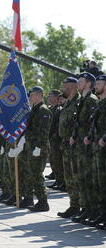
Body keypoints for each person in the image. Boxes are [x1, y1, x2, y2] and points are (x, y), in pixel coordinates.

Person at [70, 72, 98, 224]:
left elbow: (93, 124)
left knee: (88, 180)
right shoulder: (82, 100)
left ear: (88, 83)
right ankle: (85, 209)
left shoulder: (92, 101)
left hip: (87, 146)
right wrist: (74, 136)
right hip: (80, 145)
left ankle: (92, 210)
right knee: (81, 179)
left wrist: (88, 139)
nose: (78, 84)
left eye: (80, 81)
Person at [21, 86, 51, 211]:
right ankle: (28, 198)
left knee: (37, 174)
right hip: (31, 146)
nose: (30, 97)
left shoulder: (43, 110)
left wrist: (38, 147)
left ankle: (43, 201)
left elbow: (44, 132)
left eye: (32, 95)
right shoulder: (34, 109)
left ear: (39, 95)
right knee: (29, 173)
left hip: (39, 147)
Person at [84, 75, 106, 229]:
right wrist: (89, 137)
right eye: (96, 83)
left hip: (103, 147)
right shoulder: (100, 103)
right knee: (99, 183)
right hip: (97, 149)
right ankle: (101, 213)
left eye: (99, 83)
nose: (96, 86)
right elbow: (95, 124)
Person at [58, 77, 81, 219]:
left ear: (72, 87)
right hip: (65, 145)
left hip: (75, 145)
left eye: (65, 86)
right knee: (69, 178)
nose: (63, 89)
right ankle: (74, 206)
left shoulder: (79, 103)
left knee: (77, 177)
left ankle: (82, 206)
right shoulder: (67, 104)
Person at [47, 89, 65, 191]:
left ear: (56, 97)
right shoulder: (51, 109)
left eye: (51, 96)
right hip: (51, 139)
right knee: (53, 162)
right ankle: (58, 181)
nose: (49, 98)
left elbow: (57, 126)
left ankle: (62, 182)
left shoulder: (58, 110)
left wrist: (54, 137)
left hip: (56, 140)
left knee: (58, 161)